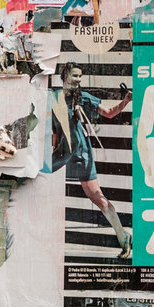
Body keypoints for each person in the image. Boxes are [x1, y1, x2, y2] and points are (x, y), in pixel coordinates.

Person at [51, 62, 132, 258]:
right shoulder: (53, 98)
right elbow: (54, 130)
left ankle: (123, 238)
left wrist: (126, 101)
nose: (78, 79)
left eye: (80, 76)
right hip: (60, 155)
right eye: (74, 75)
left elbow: (110, 113)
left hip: (81, 154)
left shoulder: (83, 98)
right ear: (64, 76)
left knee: (97, 198)